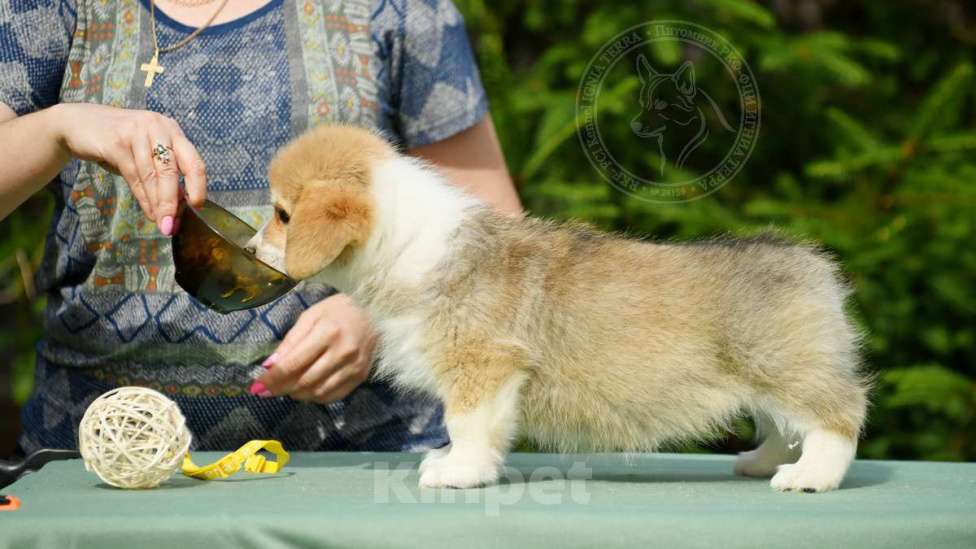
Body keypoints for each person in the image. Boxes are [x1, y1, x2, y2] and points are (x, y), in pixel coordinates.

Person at [0, 0, 520, 454]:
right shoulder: (48, 7)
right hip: (102, 455)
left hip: (363, 462)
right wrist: (58, 126)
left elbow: (494, 230)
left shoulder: (400, 9)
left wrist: (376, 316)